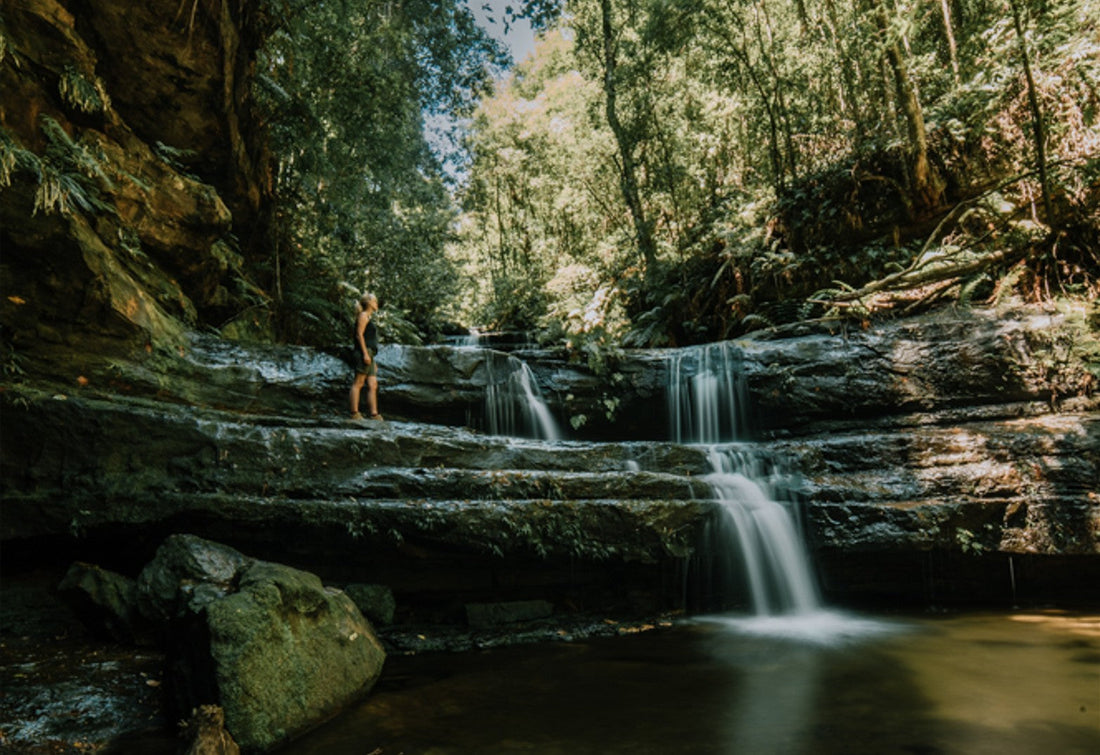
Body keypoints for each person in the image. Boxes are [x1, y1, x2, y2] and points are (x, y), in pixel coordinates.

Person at [349, 292, 382, 420]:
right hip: (364, 352)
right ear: (369, 303)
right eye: (375, 301)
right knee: (359, 382)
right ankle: (354, 413)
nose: (376, 303)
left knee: (373, 384)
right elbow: (359, 335)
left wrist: (372, 358)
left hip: (370, 353)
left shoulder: (368, 316)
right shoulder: (363, 315)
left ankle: (374, 414)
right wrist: (365, 354)